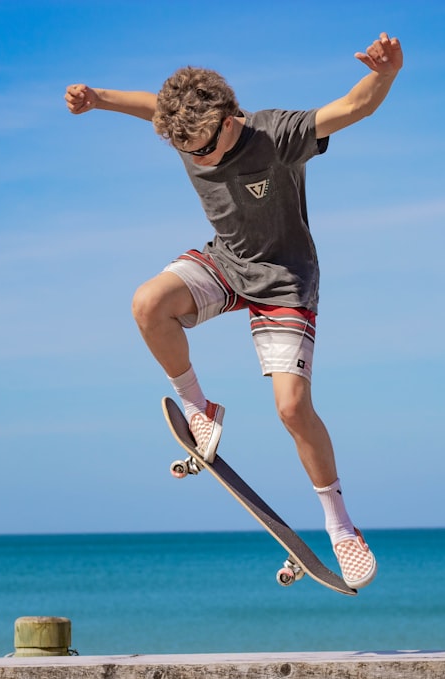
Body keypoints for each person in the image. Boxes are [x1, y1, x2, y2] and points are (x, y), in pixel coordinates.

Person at [65, 32, 403, 589]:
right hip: (226, 263)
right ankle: (201, 407)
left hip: (285, 282)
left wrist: (385, 74)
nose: (196, 158)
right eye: (185, 150)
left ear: (228, 119)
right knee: (148, 304)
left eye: (202, 147)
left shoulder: (277, 134)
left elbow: (351, 107)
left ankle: (340, 525)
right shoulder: (186, 129)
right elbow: (153, 105)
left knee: (292, 409)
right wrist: (97, 97)